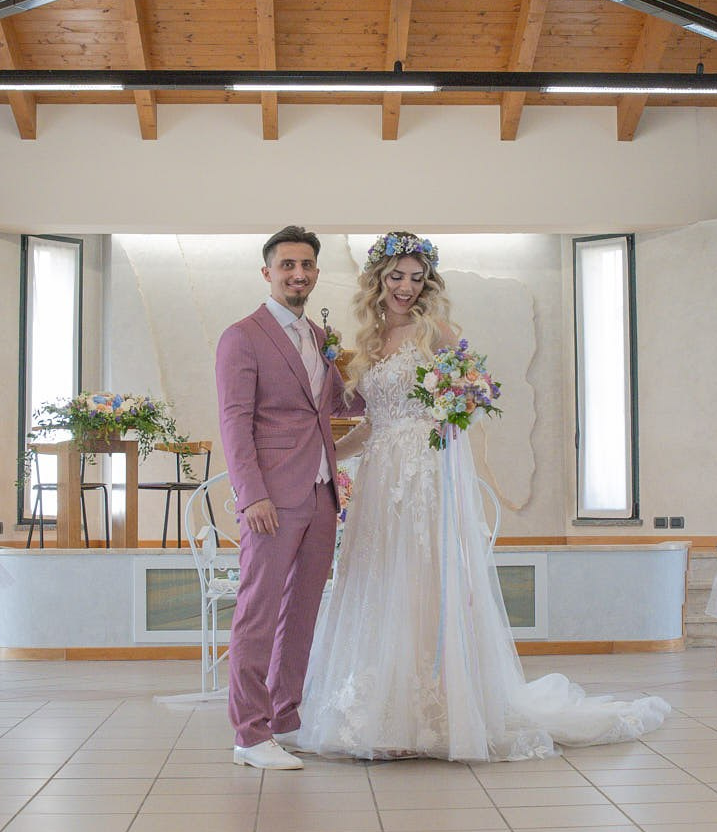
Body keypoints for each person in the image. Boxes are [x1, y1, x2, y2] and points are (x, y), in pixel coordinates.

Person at [294, 231, 671, 761]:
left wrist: (454, 413)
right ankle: (381, 710)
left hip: (426, 476)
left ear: (427, 283)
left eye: (416, 277)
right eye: (396, 276)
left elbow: (462, 407)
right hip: (381, 483)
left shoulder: (439, 334)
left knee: (424, 589)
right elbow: (373, 426)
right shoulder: (370, 344)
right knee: (379, 582)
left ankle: (435, 714)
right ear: (377, 279)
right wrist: (327, 453)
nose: (405, 287)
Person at [214, 226, 361, 770]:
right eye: (287, 266)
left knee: (301, 614)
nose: (298, 274)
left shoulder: (320, 337)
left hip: (322, 495)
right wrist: (251, 495)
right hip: (271, 500)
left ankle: (285, 720)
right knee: (258, 613)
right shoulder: (242, 336)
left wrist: (405, 381)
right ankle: (249, 735)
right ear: (268, 273)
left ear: (316, 273)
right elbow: (235, 422)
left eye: (307, 266)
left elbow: (339, 403)